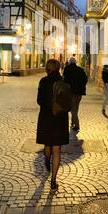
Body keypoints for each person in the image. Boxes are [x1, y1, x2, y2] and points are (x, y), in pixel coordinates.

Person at [36, 59, 69, 192]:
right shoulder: (64, 82)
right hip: (60, 119)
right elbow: (68, 103)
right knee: (57, 149)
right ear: (58, 68)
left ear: (48, 68)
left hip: (46, 117)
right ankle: (54, 181)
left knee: (47, 144)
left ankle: (47, 158)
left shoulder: (43, 81)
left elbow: (39, 100)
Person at [63, 57, 88, 132]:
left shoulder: (67, 69)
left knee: (73, 109)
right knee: (75, 108)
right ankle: (73, 122)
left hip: (71, 92)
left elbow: (65, 79)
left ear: (70, 62)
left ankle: (76, 125)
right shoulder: (81, 70)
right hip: (79, 93)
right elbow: (85, 79)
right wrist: (81, 86)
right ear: (75, 62)